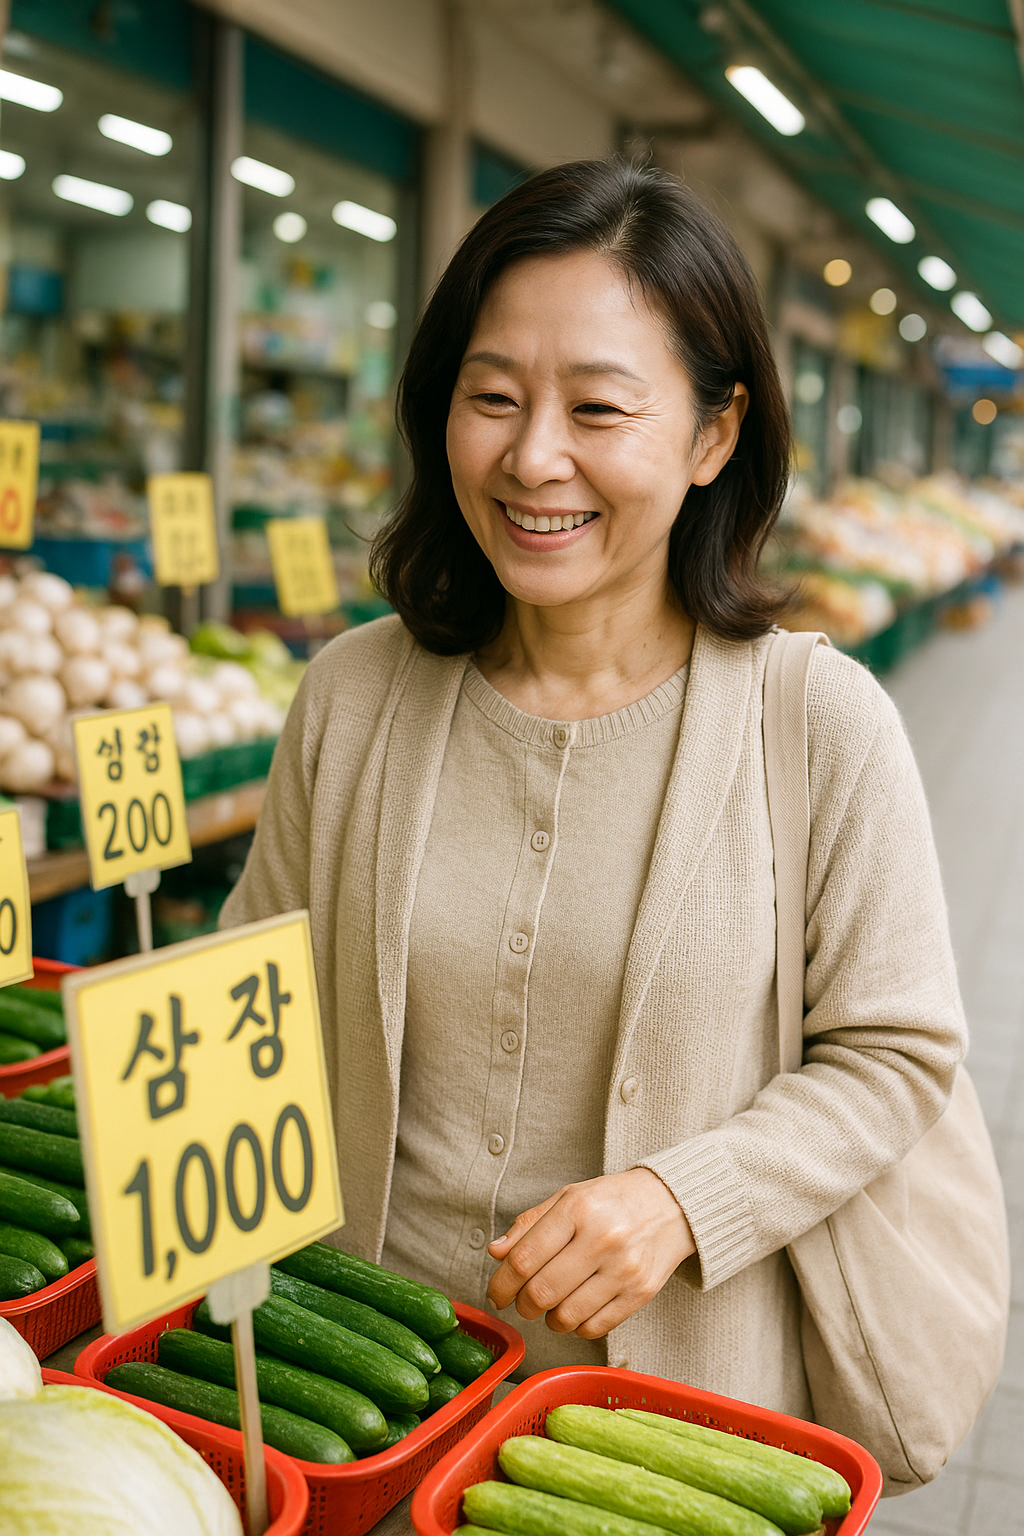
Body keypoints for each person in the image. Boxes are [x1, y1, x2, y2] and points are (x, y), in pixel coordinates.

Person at [221, 159, 965, 1414]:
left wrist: (688, 1197)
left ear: (712, 436)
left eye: (601, 410)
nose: (532, 459)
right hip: (365, 1404)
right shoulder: (351, 694)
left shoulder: (818, 723)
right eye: (492, 396)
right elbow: (253, 998)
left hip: (666, 1428)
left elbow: (894, 1053)